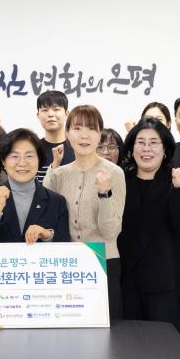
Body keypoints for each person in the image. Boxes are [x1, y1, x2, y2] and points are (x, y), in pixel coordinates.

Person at [43, 105, 125, 318]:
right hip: (69, 265)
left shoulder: (115, 173)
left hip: (105, 262)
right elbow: (44, 213)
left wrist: (104, 193)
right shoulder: (59, 173)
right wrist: (54, 168)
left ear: (99, 133)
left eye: (91, 128)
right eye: (77, 128)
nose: (84, 135)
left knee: (109, 332)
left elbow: (110, 231)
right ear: (67, 133)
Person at [118, 118, 180, 337]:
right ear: (132, 147)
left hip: (165, 284)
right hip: (129, 282)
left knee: (166, 348)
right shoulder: (121, 180)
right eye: (140, 142)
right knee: (131, 346)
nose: (146, 149)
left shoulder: (175, 179)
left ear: (165, 149)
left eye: (153, 143)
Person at [0, 128, 70, 244]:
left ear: (39, 160)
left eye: (29, 156)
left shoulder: (56, 202)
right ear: (3, 161)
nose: (22, 163)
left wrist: (48, 235)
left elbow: (65, 246)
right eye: (14, 156)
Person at [35, 90, 74, 182]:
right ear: (38, 115)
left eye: (56, 109)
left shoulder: (78, 147)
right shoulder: (33, 149)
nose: (50, 114)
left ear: (66, 114)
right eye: (45, 110)